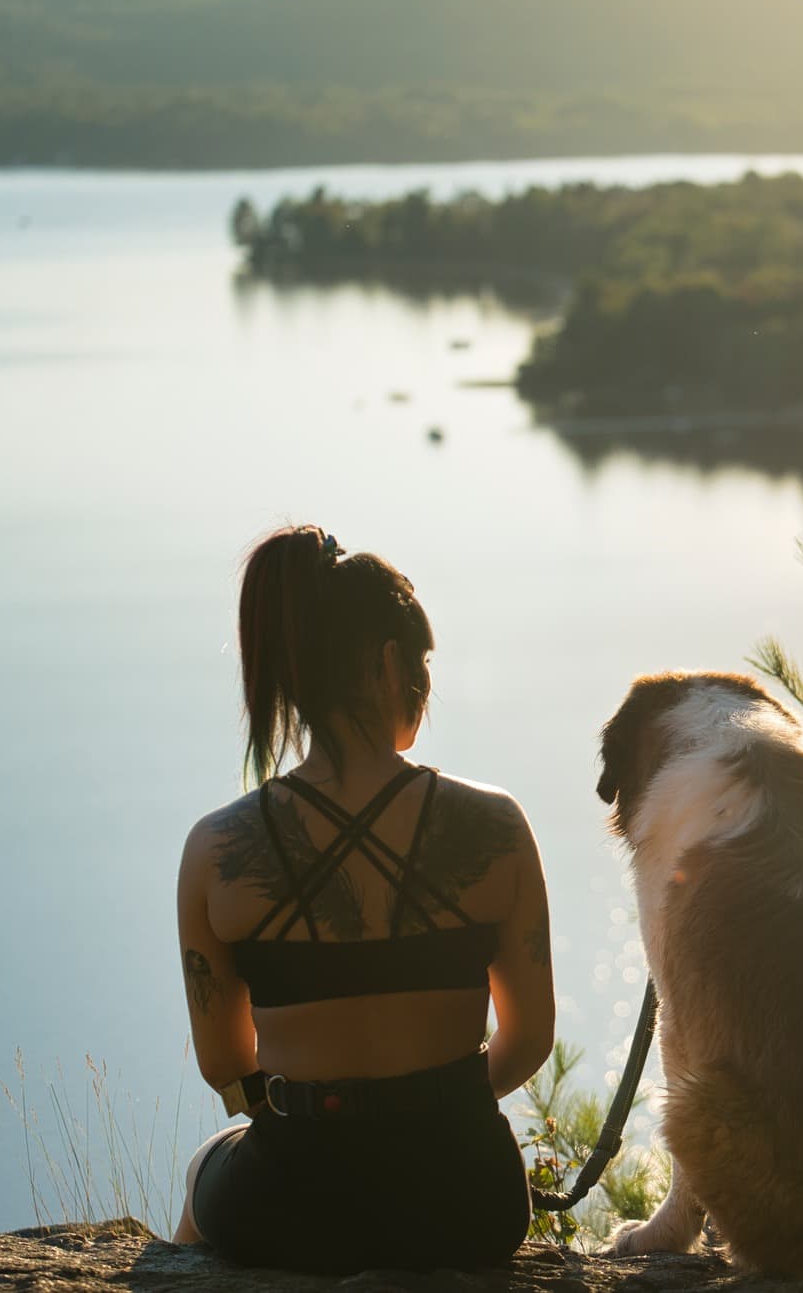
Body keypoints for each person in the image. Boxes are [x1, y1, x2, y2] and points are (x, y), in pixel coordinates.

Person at [171, 525, 553, 1272]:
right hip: (469, 1198)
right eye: (421, 665)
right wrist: (431, 1104)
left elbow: (225, 1061)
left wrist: (330, 1110)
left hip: (291, 1201)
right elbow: (529, 1037)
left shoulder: (214, 850)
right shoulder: (497, 826)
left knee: (203, 1166)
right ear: (387, 665)